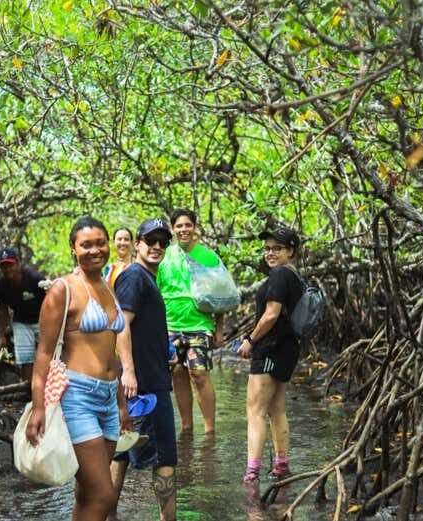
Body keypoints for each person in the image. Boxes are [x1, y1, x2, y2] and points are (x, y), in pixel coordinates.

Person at [25, 217, 127, 521]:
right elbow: (43, 352)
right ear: (73, 248)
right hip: (77, 397)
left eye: (100, 243)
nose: (95, 250)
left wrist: (121, 403)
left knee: (87, 494)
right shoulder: (62, 289)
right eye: (86, 245)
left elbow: (112, 349)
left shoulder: (109, 286)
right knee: (104, 495)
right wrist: (38, 408)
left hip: (108, 398)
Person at [109, 218, 177, 521]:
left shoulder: (145, 278)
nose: (157, 247)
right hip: (146, 385)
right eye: (151, 241)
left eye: (163, 242)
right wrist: (129, 372)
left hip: (146, 380)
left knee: (121, 452)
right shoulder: (135, 277)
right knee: (164, 458)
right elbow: (121, 325)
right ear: (137, 244)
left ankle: (105, 515)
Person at [238, 227, 305, 483]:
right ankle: (281, 465)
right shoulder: (294, 276)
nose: (270, 253)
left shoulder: (278, 275)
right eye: (267, 248)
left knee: (254, 412)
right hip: (288, 349)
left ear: (291, 251)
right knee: (277, 410)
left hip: (271, 349)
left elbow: (271, 314)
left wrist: (250, 340)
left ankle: (251, 472)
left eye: (277, 248)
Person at [157, 208, 224, 433]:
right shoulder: (164, 256)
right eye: (179, 226)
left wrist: (220, 328)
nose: (183, 229)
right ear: (173, 229)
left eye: (188, 225)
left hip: (200, 325)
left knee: (199, 374)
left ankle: (209, 428)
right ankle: (186, 427)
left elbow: (220, 294)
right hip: (170, 325)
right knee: (177, 373)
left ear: (195, 228)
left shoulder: (208, 256)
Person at [0, 248, 46, 382]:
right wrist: (2, 335)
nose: (7, 269)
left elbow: (50, 299)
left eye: (10, 265)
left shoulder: (34, 278)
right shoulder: (1, 286)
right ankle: (27, 389)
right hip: (21, 322)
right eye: (3, 266)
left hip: (42, 320)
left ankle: (48, 388)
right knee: (25, 357)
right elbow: (3, 310)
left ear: (17, 264)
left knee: (46, 355)